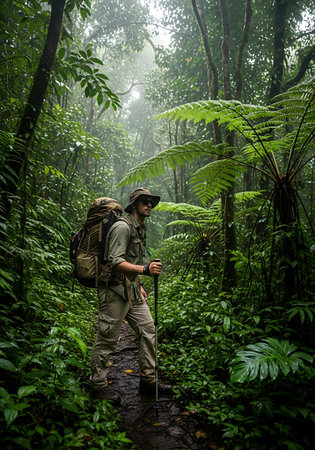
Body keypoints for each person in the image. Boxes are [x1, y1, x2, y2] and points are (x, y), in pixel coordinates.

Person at [90, 187, 171, 403]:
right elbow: (115, 261)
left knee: (148, 330)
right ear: (134, 205)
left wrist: (138, 282)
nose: (149, 205)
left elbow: (131, 260)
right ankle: (98, 386)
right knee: (107, 338)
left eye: (151, 201)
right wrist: (144, 270)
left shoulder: (140, 229)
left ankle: (148, 380)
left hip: (131, 290)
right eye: (144, 201)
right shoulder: (122, 228)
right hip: (113, 291)